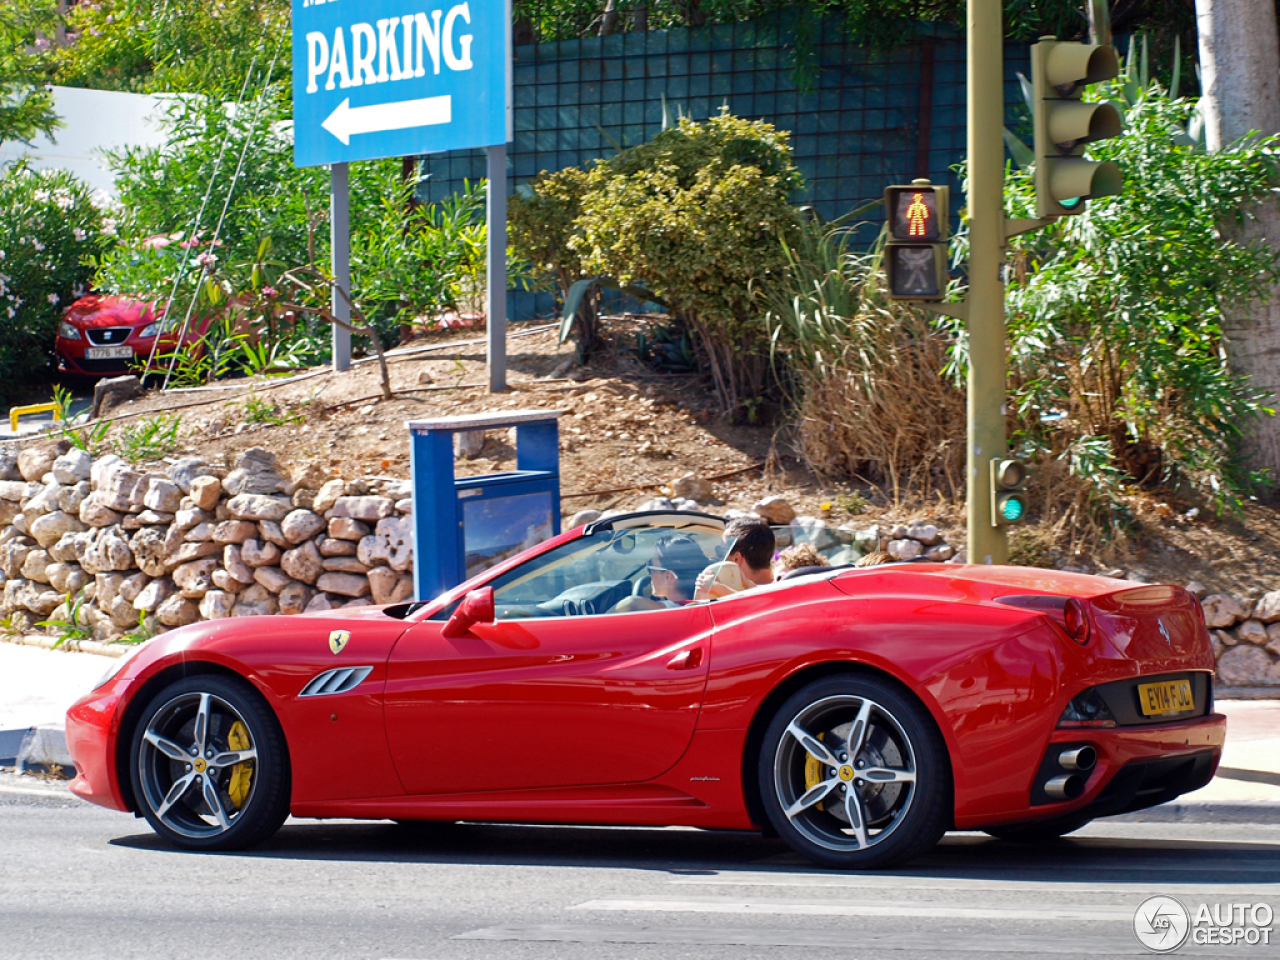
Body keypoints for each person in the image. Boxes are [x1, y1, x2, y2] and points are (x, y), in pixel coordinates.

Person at [612, 534, 710, 611]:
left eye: (651, 569)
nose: (649, 575)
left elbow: (631, 603)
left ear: (668, 576)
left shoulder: (671, 609)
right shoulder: (706, 604)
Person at [694, 517, 776, 601]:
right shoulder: (784, 587)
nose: (718, 559)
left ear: (736, 559)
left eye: (720, 551)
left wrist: (718, 588)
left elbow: (757, 604)